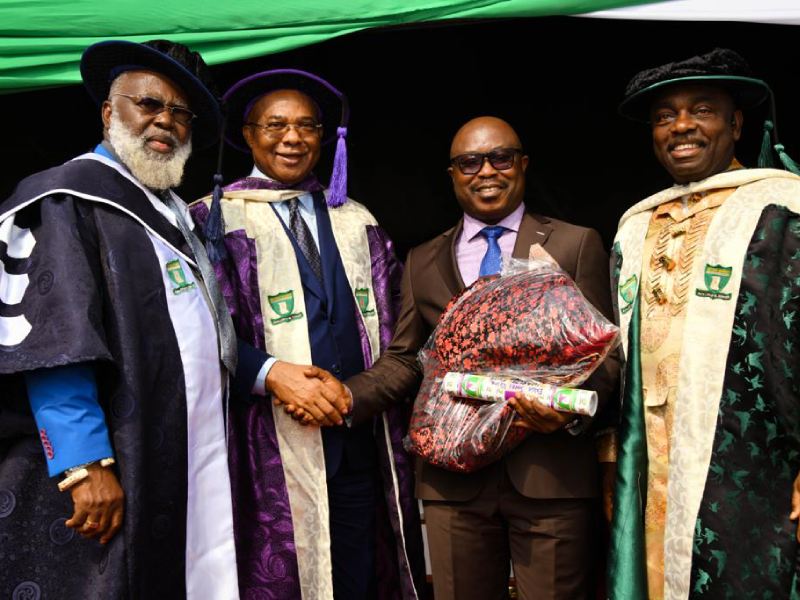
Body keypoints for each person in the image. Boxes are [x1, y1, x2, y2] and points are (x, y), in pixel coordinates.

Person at [0, 40, 270, 599]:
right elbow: (52, 339)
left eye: (180, 112)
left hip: (183, 450)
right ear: (108, 111)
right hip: (110, 459)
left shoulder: (171, 213)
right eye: (148, 104)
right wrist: (82, 463)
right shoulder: (66, 197)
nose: (165, 121)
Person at [344, 115, 619, 600]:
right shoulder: (422, 259)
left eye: (500, 158)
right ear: (452, 174)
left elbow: (606, 356)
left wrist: (569, 408)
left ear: (523, 164)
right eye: (470, 162)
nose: (486, 171)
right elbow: (407, 359)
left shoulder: (575, 243)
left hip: (549, 472)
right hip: (453, 482)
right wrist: (346, 396)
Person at [190, 69, 425, 600]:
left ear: (325, 137)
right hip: (265, 449)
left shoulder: (356, 219)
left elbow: (398, 332)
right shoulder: (211, 219)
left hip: (356, 442)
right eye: (275, 125)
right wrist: (271, 376)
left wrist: (357, 395)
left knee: (359, 577)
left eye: (306, 126)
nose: (292, 138)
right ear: (247, 135)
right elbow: (198, 330)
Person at [607, 48, 800, 600]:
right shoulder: (635, 227)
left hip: (752, 465)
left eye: (702, 110)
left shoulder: (782, 211)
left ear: (736, 124)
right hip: (651, 464)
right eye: (664, 116)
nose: (681, 126)